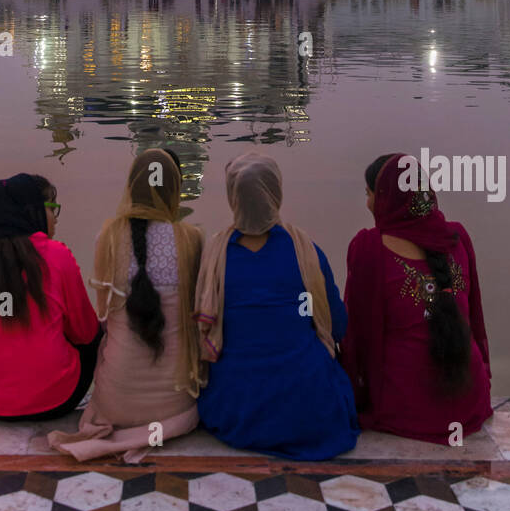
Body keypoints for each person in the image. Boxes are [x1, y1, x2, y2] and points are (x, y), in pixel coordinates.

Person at [194, 152, 359, 459]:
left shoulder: (215, 257)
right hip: (308, 408)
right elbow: (338, 325)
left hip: (235, 408)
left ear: (233, 197)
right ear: (276, 193)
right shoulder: (306, 253)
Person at [49, 149, 203, 462]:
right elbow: (199, 317)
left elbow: (103, 319)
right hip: (176, 405)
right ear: (174, 189)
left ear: (131, 187)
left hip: (114, 403)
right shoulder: (192, 239)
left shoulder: (106, 237)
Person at [341, 154, 492, 445]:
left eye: (369, 193)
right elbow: (474, 318)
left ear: (385, 199)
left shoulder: (369, 248)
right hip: (469, 399)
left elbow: (356, 336)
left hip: (408, 407)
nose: (368, 203)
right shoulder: (458, 237)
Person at [0, 174, 100, 421]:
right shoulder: (57, 255)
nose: (55, 217)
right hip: (57, 401)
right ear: (31, 211)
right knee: (96, 335)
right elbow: (85, 332)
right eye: (51, 208)